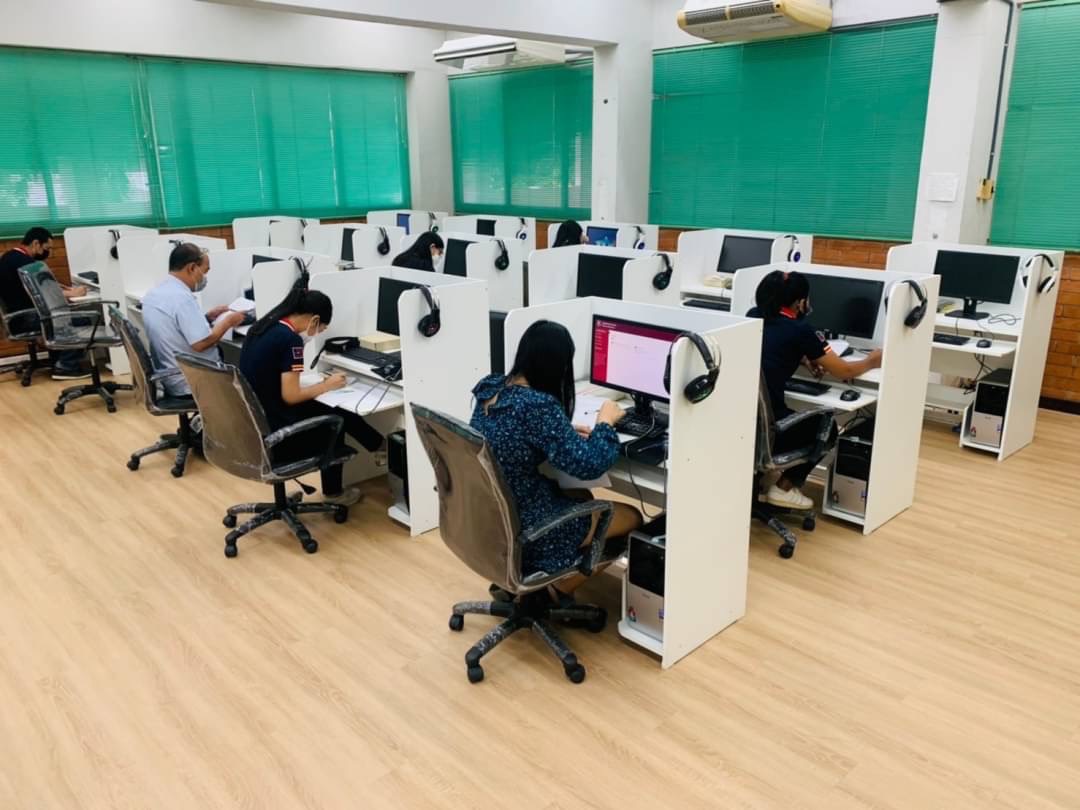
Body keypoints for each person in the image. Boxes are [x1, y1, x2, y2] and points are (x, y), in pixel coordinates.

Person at [470, 320, 642, 601]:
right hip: (526, 527)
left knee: (583, 496)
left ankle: (529, 577)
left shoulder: (492, 389)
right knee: (632, 516)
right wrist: (605, 422)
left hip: (489, 519)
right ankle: (552, 592)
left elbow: (510, 435)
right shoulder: (538, 406)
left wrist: (559, 432)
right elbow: (590, 464)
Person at [748, 270, 883, 510]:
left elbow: (772, 347)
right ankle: (783, 488)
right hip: (771, 430)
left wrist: (802, 357)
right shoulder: (800, 330)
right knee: (827, 427)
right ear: (799, 302)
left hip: (746, 425)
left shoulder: (753, 316)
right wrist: (872, 360)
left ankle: (760, 480)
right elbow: (844, 372)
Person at [239, 285, 384, 506]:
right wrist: (328, 385)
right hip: (278, 436)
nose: (315, 334)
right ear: (314, 320)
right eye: (320, 329)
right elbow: (291, 396)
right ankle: (337, 490)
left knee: (331, 409)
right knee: (339, 418)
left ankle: (380, 448)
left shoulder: (261, 328)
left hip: (255, 425)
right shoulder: (290, 340)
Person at [141, 242, 246, 397]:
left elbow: (175, 328)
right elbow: (201, 343)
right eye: (205, 271)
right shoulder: (182, 299)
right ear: (191, 268)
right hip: (191, 381)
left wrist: (207, 317)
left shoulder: (155, 293)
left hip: (169, 374)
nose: (205, 277)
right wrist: (228, 322)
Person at [0, 226, 92, 380]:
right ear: (36, 244)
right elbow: (45, 292)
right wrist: (72, 294)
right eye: (47, 248)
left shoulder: (11, 257)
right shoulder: (24, 263)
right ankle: (66, 366)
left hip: (17, 316)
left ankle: (58, 361)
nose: (48, 253)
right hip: (26, 318)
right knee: (82, 320)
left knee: (62, 316)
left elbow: (41, 285)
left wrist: (64, 289)